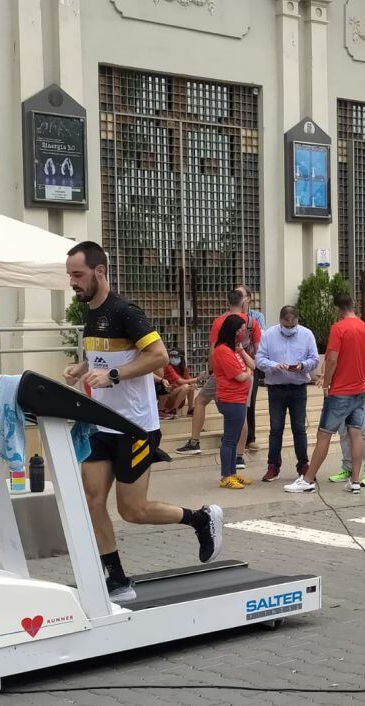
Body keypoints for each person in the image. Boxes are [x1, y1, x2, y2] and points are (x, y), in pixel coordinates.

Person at [62, 240, 223, 603]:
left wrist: (115, 376)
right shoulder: (90, 311)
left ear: (99, 272)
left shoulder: (127, 312)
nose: (72, 282)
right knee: (91, 500)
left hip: (134, 427)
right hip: (100, 424)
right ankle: (116, 578)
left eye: (78, 274)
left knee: (132, 510)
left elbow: (158, 356)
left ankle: (199, 519)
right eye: (70, 274)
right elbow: (100, 356)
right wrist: (82, 368)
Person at [284, 292, 365, 494]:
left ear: (338, 309)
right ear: (352, 306)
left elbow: (332, 359)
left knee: (324, 435)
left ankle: (307, 480)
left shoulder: (339, 328)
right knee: (356, 433)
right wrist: (363, 378)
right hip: (360, 391)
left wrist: (327, 383)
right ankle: (355, 480)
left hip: (341, 391)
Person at [176, 288, 262, 463]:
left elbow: (214, 349)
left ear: (227, 302)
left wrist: (211, 370)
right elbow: (258, 349)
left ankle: (194, 442)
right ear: (244, 302)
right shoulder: (252, 322)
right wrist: (248, 366)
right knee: (242, 412)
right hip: (246, 369)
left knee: (200, 401)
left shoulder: (220, 322)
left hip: (224, 371)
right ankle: (239, 455)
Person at [255, 305, 319, 482]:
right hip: (276, 388)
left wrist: (302, 366)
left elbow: (314, 359)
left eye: (293, 326)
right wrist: (274, 365)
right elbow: (259, 359)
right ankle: (273, 466)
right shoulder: (269, 334)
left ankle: (303, 465)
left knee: (299, 429)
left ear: (297, 321)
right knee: (276, 429)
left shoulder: (306, 334)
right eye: (286, 325)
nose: (289, 329)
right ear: (280, 321)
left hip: (298, 388)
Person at [328, 333, 365, 487]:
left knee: (364, 431)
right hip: (341, 391)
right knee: (343, 432)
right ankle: (348, 468)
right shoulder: (340, 333)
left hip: (362, 392)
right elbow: (330, 358)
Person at [213, 314, 255, 489]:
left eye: (245, 330)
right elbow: (240, 376)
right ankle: (226, 476)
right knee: (230, 439)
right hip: (230, 399)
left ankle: (232, 473)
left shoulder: (234, 350)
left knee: (235, 437)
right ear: (233, 330)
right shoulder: (222, 351)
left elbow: (252, 365)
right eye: (241, 330)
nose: (243, 333)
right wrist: (247, 373)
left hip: (238, 398)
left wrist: (242, 351)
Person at [238, 284, 267, 451]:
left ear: (248, 299)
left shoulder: (257, 317)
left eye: (240, 295)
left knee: (250, 401)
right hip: (234, 363)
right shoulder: (230, 316)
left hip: (251, 363)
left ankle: (251, 437)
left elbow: (261, 338)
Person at [155, 349, 196, 419]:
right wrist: (198, 378)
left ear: (181, 358)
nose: (173, 358)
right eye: (171, 356)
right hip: (169, 396)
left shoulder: (183, 368)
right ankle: (173, 410)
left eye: (175, 357)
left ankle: (190, 409)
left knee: (191, 387)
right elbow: (180, 381)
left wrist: (194, 383)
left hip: (178, 396)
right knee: (186, 386)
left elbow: (189, 380)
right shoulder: (168, 367)